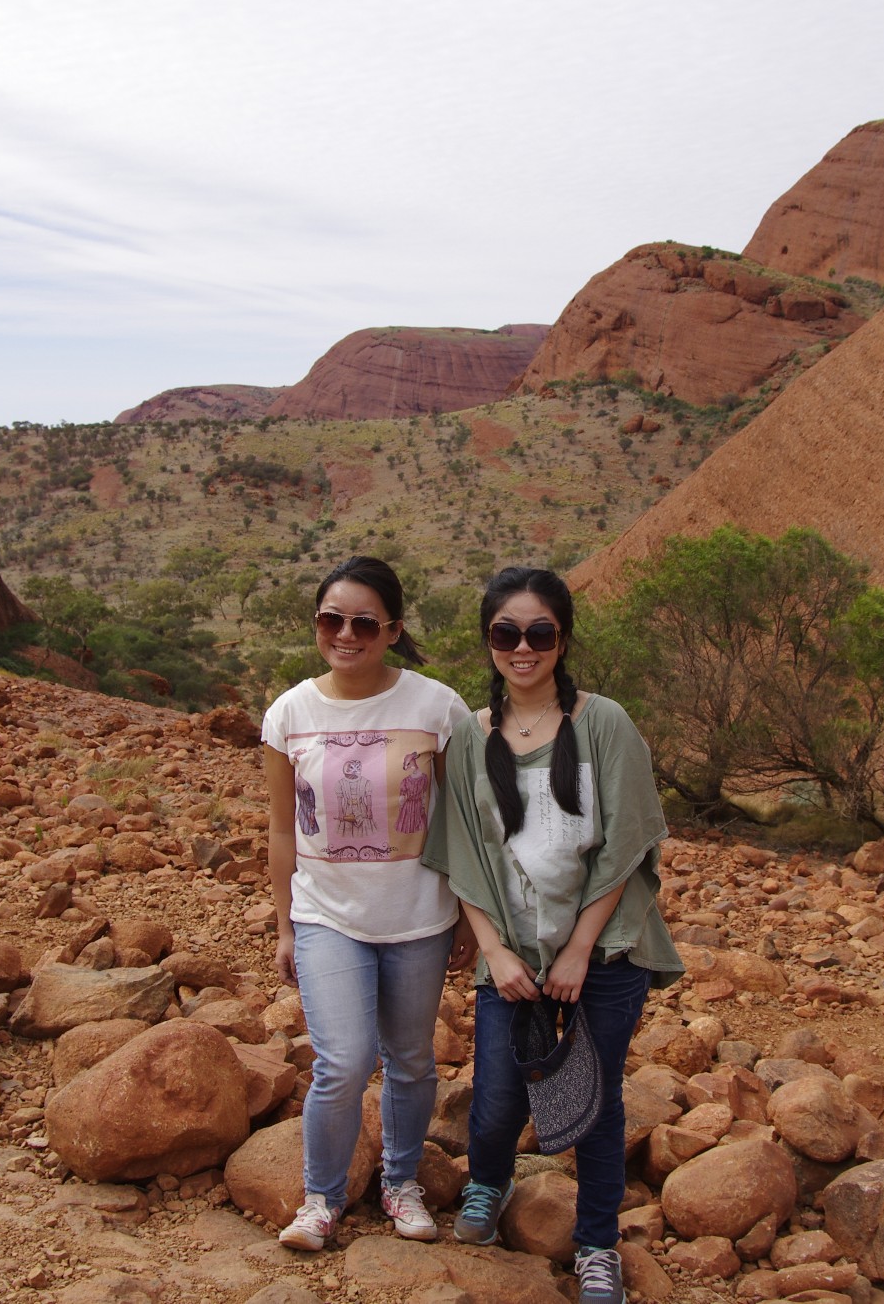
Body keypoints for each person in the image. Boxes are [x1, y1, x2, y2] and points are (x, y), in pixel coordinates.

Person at [424, 566, 681, 1304]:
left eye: (540, 632)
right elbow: (465, 853)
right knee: (500, 1097)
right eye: (507, 633)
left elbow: (625, 842)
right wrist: (496, 952)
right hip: (511, 953)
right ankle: (490, 1184)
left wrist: (577, 949)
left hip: (604, 949)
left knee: (596, 1101)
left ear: (562, 639)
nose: (523, 647)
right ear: (489, 641)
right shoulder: (471, 736)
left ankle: (597, 1242)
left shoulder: (604, 722)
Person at [262, 556, 475, 1251]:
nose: (344, 634)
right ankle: (320, 1200)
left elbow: (463, 818)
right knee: (344, 1062)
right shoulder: (290, 712)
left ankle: (401, 1182)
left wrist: (473, 913)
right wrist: (285, 925)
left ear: (393, 629)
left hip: (419, 917)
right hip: (328, 916)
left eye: (362, 622)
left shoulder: (437, 706)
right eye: (331, 619)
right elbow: (279, 826)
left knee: (412, 1059)